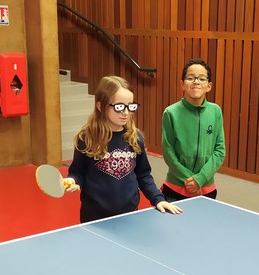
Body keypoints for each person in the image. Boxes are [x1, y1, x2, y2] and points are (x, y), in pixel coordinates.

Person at [65, 75, 183, 223]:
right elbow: (77, 172)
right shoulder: (87, 138)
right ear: (101, 106)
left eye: (130, 106)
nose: (126, 112)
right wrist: (73, 180)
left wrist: (158, 199)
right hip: (94, 218)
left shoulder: (135, 138)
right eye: (119, 107)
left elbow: (143, 175)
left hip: (129, 214)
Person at [161, 58, 226, 201]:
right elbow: (168, 151)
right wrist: (189, 180)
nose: (196, 82)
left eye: (202, 79)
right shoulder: (170, 113)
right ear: (182, 84)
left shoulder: (216, 111)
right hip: (176, 187)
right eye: (190, 78)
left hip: (206, 187)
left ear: (209, 86)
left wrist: (200, 178)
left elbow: (220, 150)